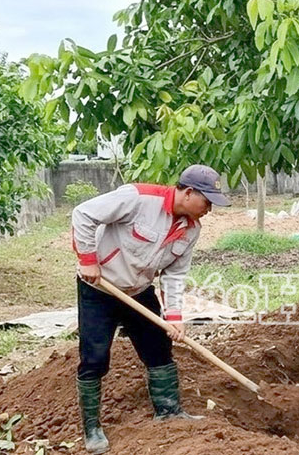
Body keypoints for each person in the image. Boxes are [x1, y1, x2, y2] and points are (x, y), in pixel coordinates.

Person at [71, 164, 230, 453]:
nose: (209, 209)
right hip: (100, 289)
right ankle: (92, 429)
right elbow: (83, 214)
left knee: (158, 350)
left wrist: (174, 317)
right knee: (94, 358)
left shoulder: (191, 230)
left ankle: (168, 411)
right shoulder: (138, 198)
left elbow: (174, 274)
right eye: (207, 202)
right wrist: (88, 259)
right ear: (188, 192)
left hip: (139, 292)